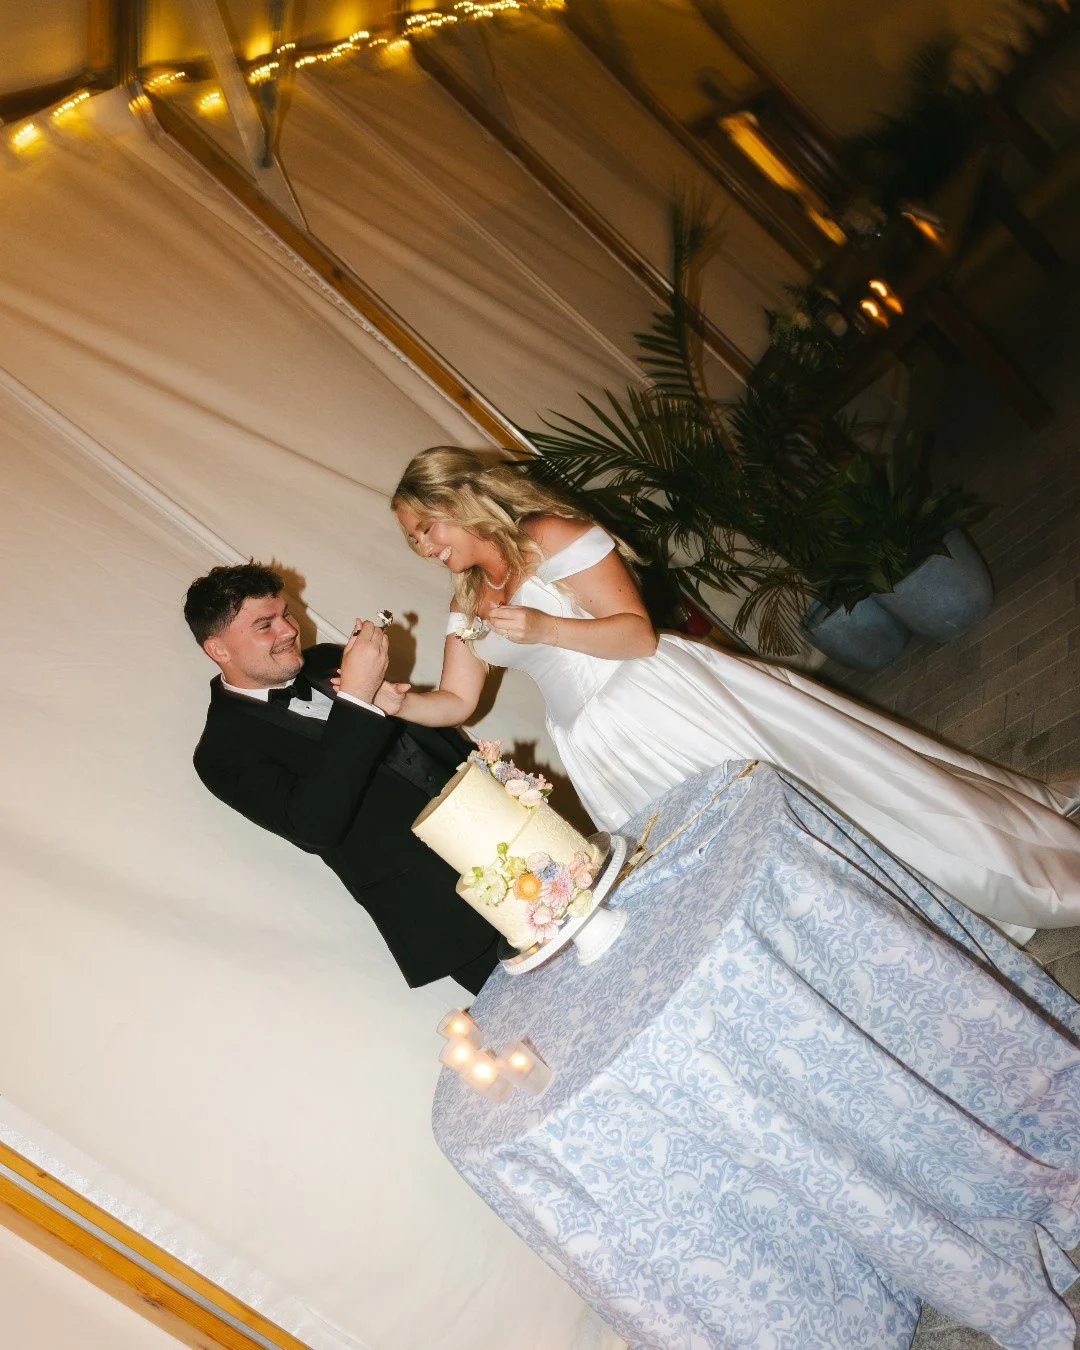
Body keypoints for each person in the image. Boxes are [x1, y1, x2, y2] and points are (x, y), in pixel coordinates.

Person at [388, 446, 1080, 936]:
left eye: (425, 528)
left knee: (825, 793)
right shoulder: (469, 598)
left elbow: (636, 636)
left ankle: (992, 877)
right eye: (413, 539)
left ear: (458, 500)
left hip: (666, 702)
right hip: (603, 753)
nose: (423, 548)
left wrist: (543, 626)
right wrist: (390, 699)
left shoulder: (550, 535)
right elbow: (456, 701)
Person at [184, 562, 500, 993]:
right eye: (265, 625)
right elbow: (314, 825)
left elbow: (429, 742)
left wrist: (502, 790)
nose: (290, 630)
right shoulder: (220, 751)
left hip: (513, 838)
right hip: (446, 910)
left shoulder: (330, 659)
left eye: (286, 614)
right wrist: (355, 700)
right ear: (219, 649)